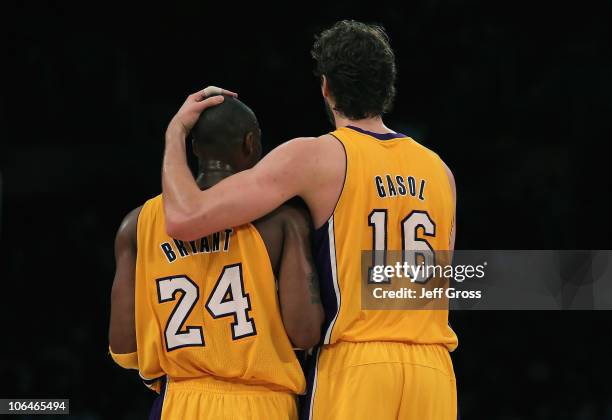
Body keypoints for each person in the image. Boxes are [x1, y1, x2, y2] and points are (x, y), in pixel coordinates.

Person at [162, 20, 458, 420]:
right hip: (434, 370)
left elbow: (185, 218)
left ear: (325, 87)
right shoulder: (439, 171)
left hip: (358, 365)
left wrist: (176, 131)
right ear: (388, 86)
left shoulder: (318, 156)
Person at [109, 94, 324, 420]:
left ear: (194, 149)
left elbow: (124, 348)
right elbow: (305, 333)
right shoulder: (281, 220)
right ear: (251, 145)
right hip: (261, 404)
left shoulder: (136, 225)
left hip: (179, 402)